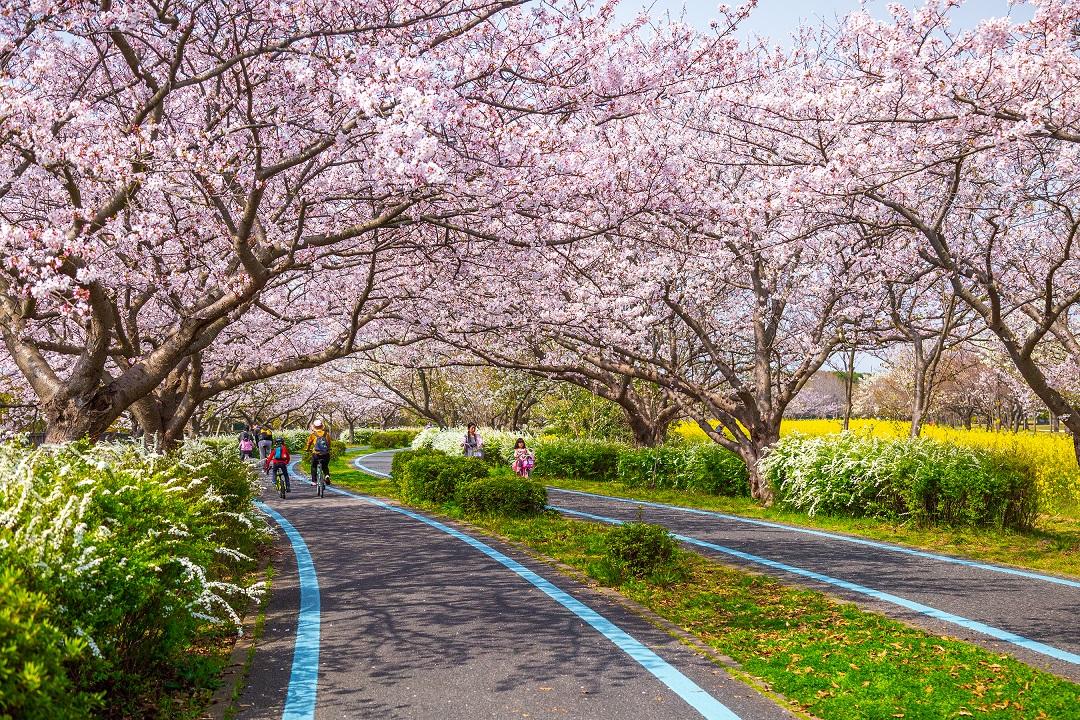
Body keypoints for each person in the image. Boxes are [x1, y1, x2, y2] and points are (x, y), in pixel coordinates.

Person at [305, 419, 333, 486]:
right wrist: (328, 449)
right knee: (325, 466)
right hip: (325, 454)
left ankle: (314, 481)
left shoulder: (313, 434)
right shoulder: (326, 434)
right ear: (322, 426)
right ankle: (326, 475)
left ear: (314, 427)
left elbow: (308, 443)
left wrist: (307, 449)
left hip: (316, 454)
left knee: (314, 466)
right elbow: (329, 443)